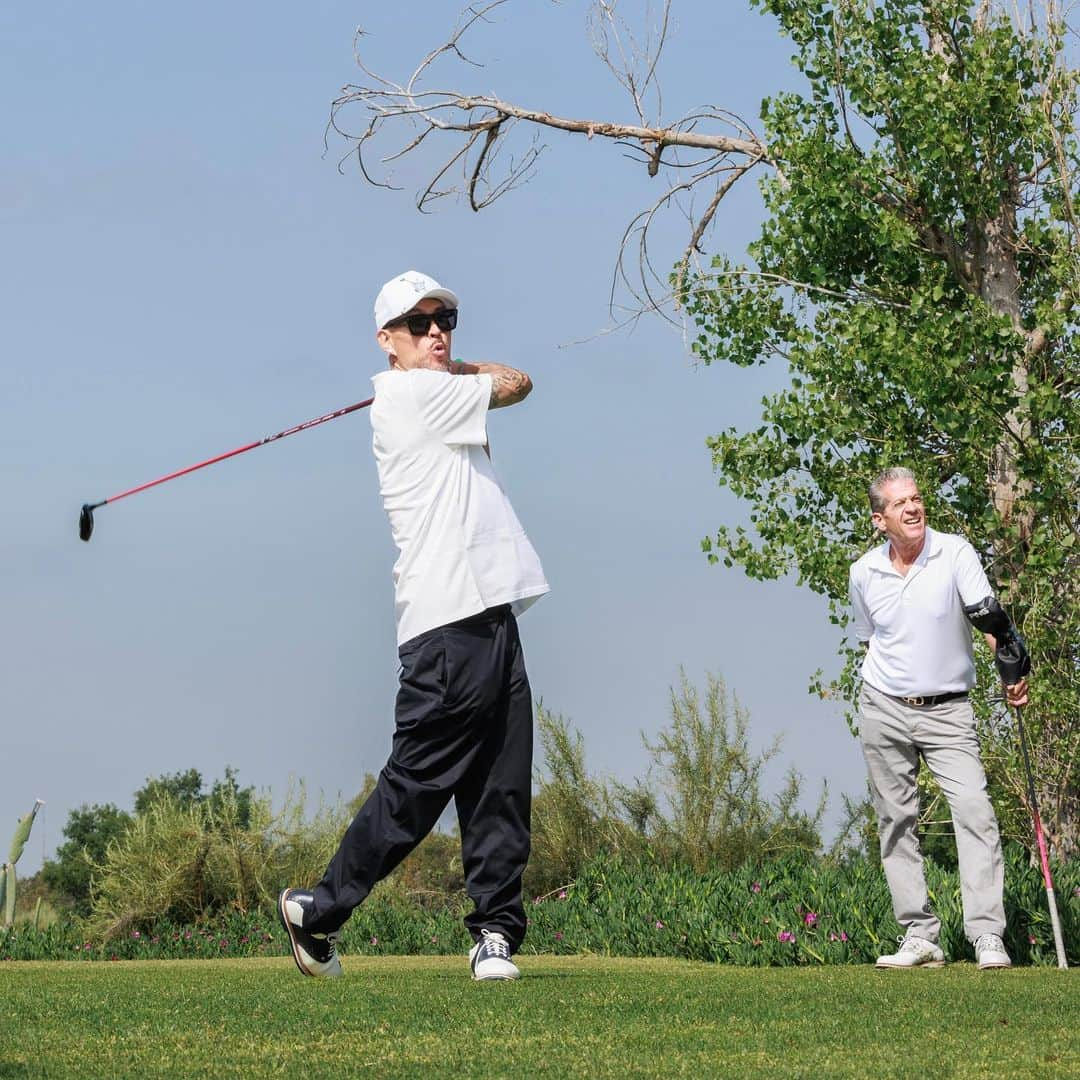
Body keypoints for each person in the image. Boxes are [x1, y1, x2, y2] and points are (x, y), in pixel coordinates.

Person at [279, 270, 549, 981]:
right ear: (386, 341)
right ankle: (318, 911)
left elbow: (507, 382)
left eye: (446, 319)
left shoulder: (427, 387)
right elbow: (519, 381)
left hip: (490, 611)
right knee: (416, 789)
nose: (437, 332)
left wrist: (451, 365)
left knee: (500, 782)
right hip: (444, 622)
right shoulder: (410, 394)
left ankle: (494, 932)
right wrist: (455, 367)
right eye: (419, 323)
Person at [849, 467, 1029, 970]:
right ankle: (919, 936)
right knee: (895, 820)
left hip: (948, 709)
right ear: (880, 519)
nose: (913, 508)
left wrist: (1010, 664)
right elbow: (872, 639)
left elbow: (988, 618)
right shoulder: (864, 572)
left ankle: (987, 935)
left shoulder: (954, 552)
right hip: (883, 707)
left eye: (917, 498)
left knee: (974, 809)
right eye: (900, 503)